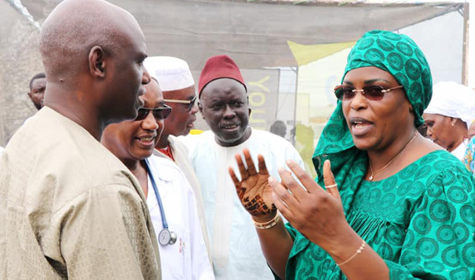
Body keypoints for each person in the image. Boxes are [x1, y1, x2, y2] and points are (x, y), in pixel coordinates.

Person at [230, 30, 475, 279]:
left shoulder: (441, 179)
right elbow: (293, 268)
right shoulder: (345, 172)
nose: (355, 103)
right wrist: (265, 219)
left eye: (375, 91)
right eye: (348, 92)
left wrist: (338, 237)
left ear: (411, 98)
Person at [0, 0, 161, 279]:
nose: (146, 78)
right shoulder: (100, 186)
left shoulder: (26, 140)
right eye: (138, 61)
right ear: (98, 63)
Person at [186, 54, 304, 280]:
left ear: (248, 104)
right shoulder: (189, 152)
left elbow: (303, 227)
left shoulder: (280, 152)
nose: (229, 112)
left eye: (237, 104)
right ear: (201, 110)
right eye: (218, 106)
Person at [101, 78, 213, 280]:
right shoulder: (82, 182)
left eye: (160, 112)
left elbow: (199, 266)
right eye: (139, 111)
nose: (153, 124)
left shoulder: (172, 176)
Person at [144, 56, 211, 256]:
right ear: (160, 105)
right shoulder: (132, 160)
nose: (196, 110)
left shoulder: (180, 150)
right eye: (189, 102)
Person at [423, 81, 475, 160]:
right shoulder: (433, 156)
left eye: (431, 124)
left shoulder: (471, 157)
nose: (428, 133)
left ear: (452, 119)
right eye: (426, 126)